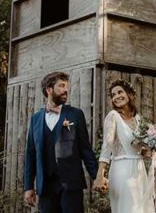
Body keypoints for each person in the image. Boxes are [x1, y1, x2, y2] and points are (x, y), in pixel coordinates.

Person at [23, 71, 102, 213]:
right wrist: (28, 186)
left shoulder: (75, 114)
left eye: (66, 86)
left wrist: (97, 177)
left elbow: (85, 149)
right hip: (46, 186)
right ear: (49, 90)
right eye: (61, 86)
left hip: (71, 184)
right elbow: (30, 154)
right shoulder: (35, 119)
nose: (66, 89)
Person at [93, 80, 156, 213]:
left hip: (139, 171)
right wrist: (100, 175)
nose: (116, 96)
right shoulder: (113, 116)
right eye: (113, 95)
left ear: (129, 94)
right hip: (122, 170)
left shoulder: (138, 119)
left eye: (120, 92)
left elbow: (138, 149)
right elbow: (107, 146)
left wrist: (153, 152)